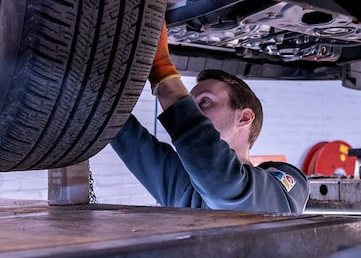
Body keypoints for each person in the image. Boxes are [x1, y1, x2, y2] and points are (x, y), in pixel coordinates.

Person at [110, 23, 309, 214]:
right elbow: (115, 123)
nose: (194, 111)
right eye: (192, 103)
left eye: (205, 101)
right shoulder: (187, 187)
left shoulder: (286, 184)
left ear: (244, 118)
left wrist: (165, 79)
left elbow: (225, 183)